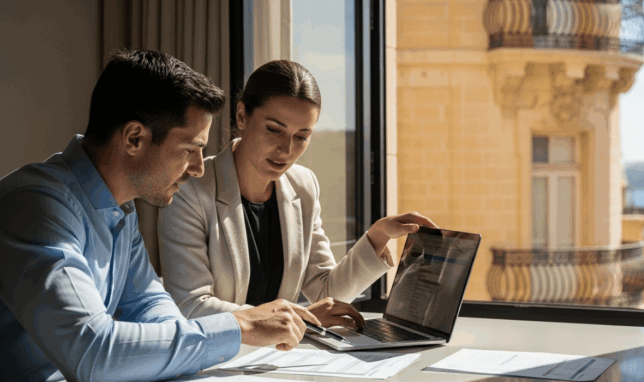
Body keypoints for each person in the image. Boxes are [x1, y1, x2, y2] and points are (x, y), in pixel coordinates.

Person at [0, 50, 321, 382]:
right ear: (134, 138)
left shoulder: (120, 211)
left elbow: (148, 307)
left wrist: (204, 340)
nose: (199, 168)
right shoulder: (37, 205)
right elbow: (91, 352)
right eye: (190, 149)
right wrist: (237, 325)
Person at [157, 60, 437, 328]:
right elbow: (192, 306)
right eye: (274, 129)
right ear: (242, 116)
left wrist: (378, 237)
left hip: (281, 360)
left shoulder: (303, 185)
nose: (286, 150)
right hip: (216, 361)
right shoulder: (189, 190)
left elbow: (325, 291)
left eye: (301, 136)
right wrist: (298, 317)